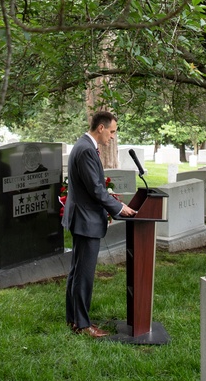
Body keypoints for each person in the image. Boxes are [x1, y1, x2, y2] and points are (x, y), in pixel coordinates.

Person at [63, 112, 136, 337]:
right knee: (83, 274)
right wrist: (118, 207)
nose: (113, 137)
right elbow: (95, 188)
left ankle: (74, 319)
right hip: (86, 220)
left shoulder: (84, 145)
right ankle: (83, 326)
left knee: (77, 272)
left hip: (83, 217)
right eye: (112, 131)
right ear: (101, 128)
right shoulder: (86, 149)